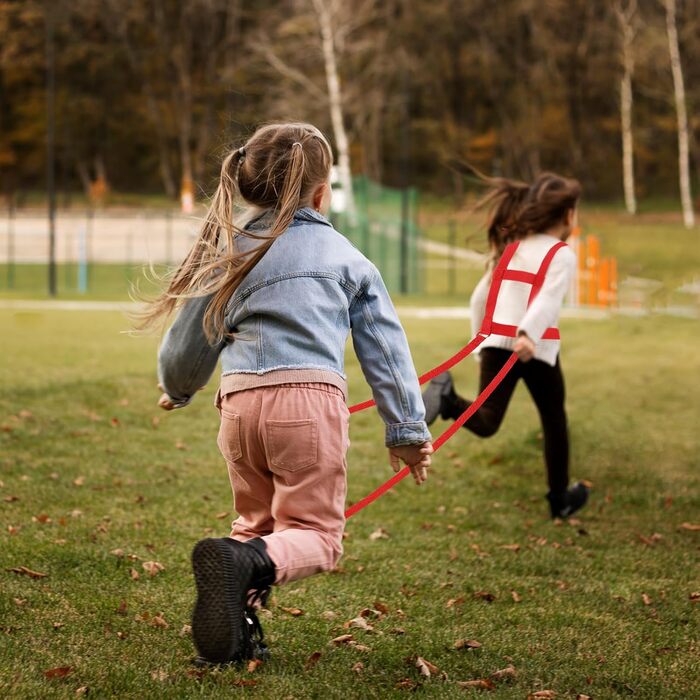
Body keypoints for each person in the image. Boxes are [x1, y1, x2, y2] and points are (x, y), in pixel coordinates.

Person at [139, 123, 433, 665]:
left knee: (254, 532)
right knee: (317, 537)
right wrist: (408, 431)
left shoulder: (231, 251)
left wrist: (177, 390)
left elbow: (189, 338)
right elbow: (386, 352)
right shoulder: (345, 256)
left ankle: (233, 639)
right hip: (307, 406)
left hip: (239, 408)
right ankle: (240, 574)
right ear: (321, 193)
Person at [422, 172, 588, 519]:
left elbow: (480, 297)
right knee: (554, 419)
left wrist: (480, 343)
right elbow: (549, 300)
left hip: (496, 344)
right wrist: (528, 334)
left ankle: (449, 399)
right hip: (535, 349)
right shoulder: (562, 254)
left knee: (487, 421)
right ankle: (560, 500)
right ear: (568, 215)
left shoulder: (513, 248)